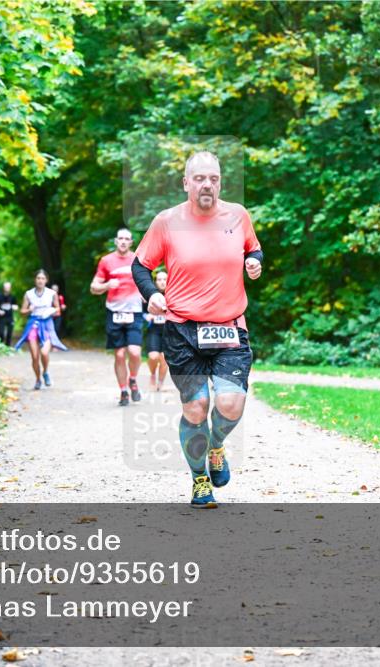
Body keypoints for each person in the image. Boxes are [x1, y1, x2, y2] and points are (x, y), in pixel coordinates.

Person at [133, 151, 263, 508]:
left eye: (214, 178)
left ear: (220, 182)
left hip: (230, 327)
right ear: (186, 182)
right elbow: (141, 266)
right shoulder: (166, 221)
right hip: (182, 330)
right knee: (196, 408)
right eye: (200, 178)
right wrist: (152, 295)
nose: (208, 184)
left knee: (231, 404)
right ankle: (200, 478)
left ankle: (216, 445)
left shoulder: (238, 215)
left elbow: (254, 248)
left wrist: (254, 261)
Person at [90, 228, 144, 406]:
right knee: (120, 355)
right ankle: (123, 391)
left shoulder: (138, 259)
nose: (123, 241)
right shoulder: (106, 261)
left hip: (134, 312)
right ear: (115, 241)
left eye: (126, 239)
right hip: (114, 313)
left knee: (135, 352)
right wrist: (107, 285)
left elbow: (145, 283)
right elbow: (93, 288)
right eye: (120, 238)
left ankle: (133, 379)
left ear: (131, 242)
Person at [14, 270, 66, 390]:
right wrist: (29, 309)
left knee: (44, 352)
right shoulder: (29, 294)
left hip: (47, 323)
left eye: (43, 278)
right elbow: (22, 311)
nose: (40, 281)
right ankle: (38, 379)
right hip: (33, 323)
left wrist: (51, 311)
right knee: (34, 356)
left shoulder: (52, 293)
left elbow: (58, 310)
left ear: (46, 280)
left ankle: (46, 372)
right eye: (38, 278)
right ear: (35, 280)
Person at [142, 270, 170, 391]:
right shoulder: (150, 295)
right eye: (159, 279)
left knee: (164, 359)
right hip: (154, 331)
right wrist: (147, 316)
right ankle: (153, 375)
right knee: (153, 357)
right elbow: (141, 312)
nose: (162, 282)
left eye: (165, 279)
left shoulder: (173, 294)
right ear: (155, 282)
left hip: (169, 332)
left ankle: (161, 383)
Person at [0, 281, 18, 346]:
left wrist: (14, 307)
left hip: (10, 317)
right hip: (1, 317)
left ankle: (8, 346)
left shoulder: (13, 297)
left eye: (8, 287)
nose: (7, 288)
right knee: (1, 333)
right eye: (6, 287)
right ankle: (1, 346)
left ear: (10, 288)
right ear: (3, 288)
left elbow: (16, 306)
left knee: (9, 333)